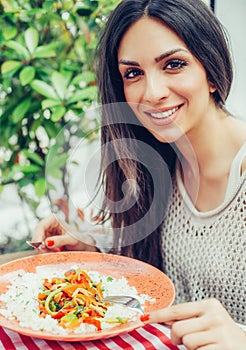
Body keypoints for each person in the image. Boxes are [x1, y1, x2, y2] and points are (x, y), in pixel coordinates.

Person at [33, 0, 246, 348]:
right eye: (133, 73)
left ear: (212, 70)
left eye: (174, 64)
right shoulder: (157, 166)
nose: (152, 93)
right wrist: (94, 245)